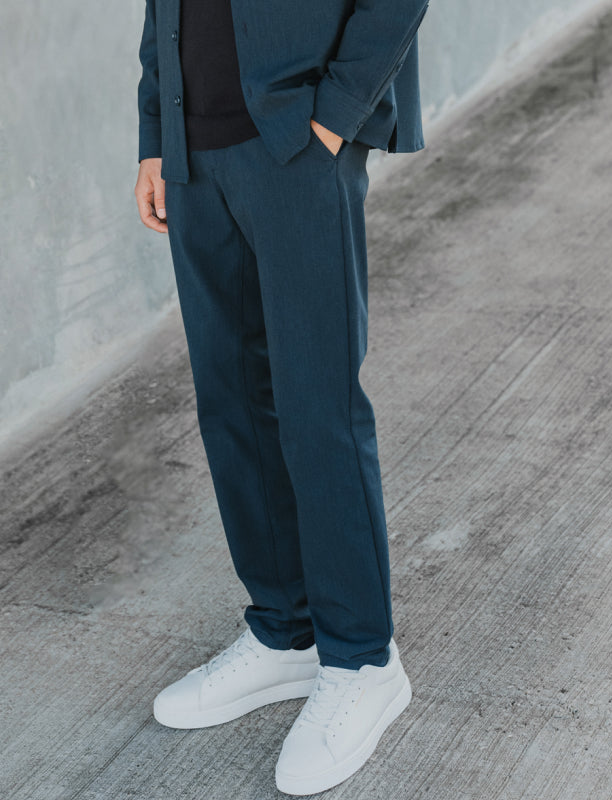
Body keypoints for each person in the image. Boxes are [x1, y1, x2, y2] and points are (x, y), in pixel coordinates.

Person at [133, 0, 429, 794]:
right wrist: (157, 132)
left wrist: (336, 114)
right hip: (195, 148)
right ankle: (286, 632)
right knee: (229, 405)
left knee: (316, 408)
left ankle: (362, 659)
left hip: (297, 139)